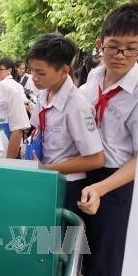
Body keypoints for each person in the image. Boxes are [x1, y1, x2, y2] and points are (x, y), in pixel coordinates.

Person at [78, 3, 138, 276]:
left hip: (116, 184)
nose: (120, 56)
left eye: (130, 49)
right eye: (113, 47)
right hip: (83, 172)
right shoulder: (94, 77)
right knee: (73, 255)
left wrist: (101, 189)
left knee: (103, 268)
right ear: (100, 44)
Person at [25, 33, 105, 209]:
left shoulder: (77, 106)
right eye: (32, 70)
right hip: (47, 176)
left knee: (59, 234)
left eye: (41, 73)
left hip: (67, 184)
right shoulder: (44, 92)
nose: (34, 78)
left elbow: (96, 159)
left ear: (64, 71)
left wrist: (48, 168)